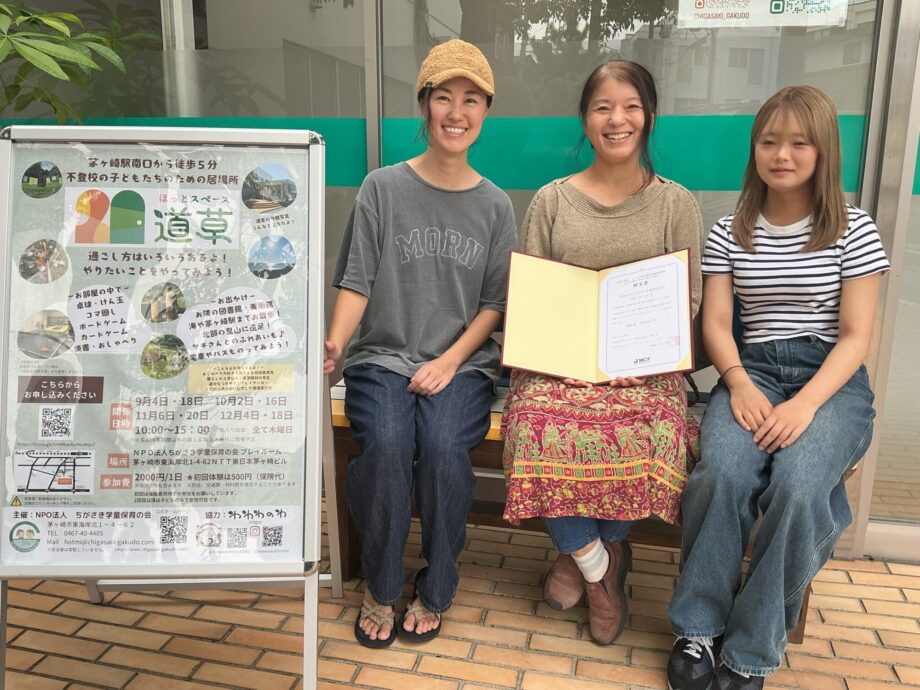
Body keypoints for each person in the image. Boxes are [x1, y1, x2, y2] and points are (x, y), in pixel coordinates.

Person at [667, 85, 890, 690]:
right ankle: (698, 627)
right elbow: (717, 325)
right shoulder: (728, 230)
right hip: (753, 371)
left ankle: (752, 647)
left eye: (798, 143)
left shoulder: (855, 229)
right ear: (754, 150)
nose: (782, 155)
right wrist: (737, 383)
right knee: (721, 475)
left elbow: (856, 337)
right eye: (769, 142)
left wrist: (806, 403)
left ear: (824, 150)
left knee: (798, 486)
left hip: (830, 383)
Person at [501, 60, 703, 645]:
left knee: (654, 433)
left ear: (650, 116)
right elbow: (533, 296)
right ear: (585, 119)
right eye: (603, 107)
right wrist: (561, 358)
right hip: (557, 367)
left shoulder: (675, 204)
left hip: (644, 371)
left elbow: (687, 299)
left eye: (631, 106)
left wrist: (641, 362)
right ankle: (599, 569)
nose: (618, 119)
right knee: (534, 428)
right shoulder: (552, 200)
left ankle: (582, 556)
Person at [324, 39, 516, 648]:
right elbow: (357, 281)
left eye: (471, 100)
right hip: (383, 356)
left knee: (440, 447)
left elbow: (494, 305)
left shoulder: (496, 206)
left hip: (463, 364)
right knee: (385, 443)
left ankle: (437, 585)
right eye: (443, 97)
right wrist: (335, 345)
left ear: (485, 111)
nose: (456, 112)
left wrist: (450, 361)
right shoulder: (381, 188)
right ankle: (381, 586)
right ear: (424, 106)